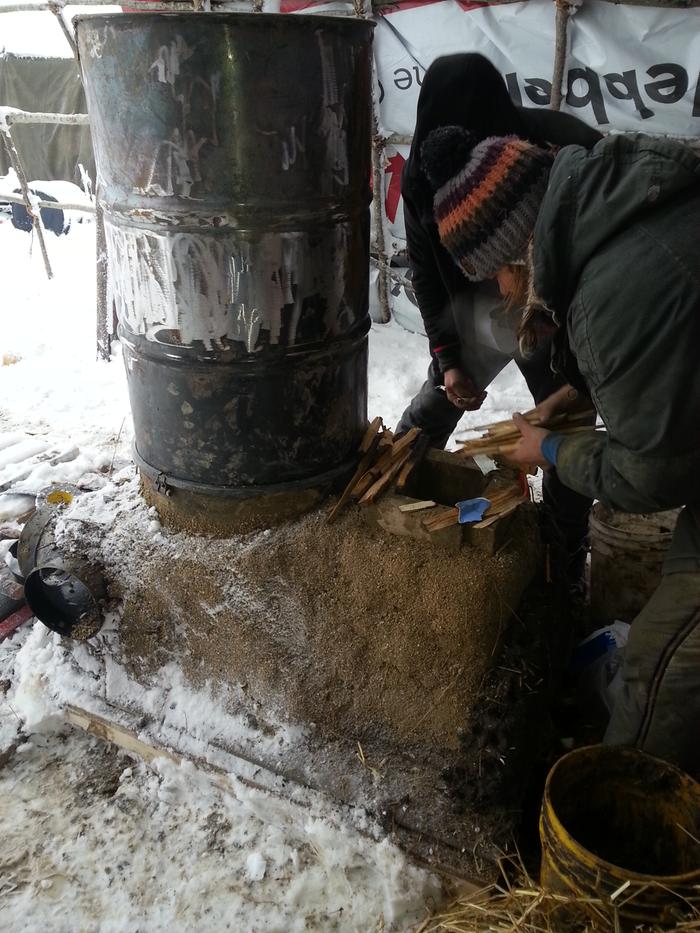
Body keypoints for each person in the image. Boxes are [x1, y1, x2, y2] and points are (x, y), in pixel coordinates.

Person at [421, 125, 700, 776]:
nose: (502, 287)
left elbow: (646, 477)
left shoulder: (610, 297)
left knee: (657, 680)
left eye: (496, 271)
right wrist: (567, 397)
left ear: (517, 248)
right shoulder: (627, 195)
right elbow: (670, 345)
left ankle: (620, 823)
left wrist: (548, 449)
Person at [396, 54, 602, 591]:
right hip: (476, 310)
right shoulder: (423, 180)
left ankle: (562, 553)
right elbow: (425, 275)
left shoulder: (553, 149)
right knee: (430, 409)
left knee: (563, 427)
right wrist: (448, 361)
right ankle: (394, 490)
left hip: (552, 309)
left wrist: (561, 335)